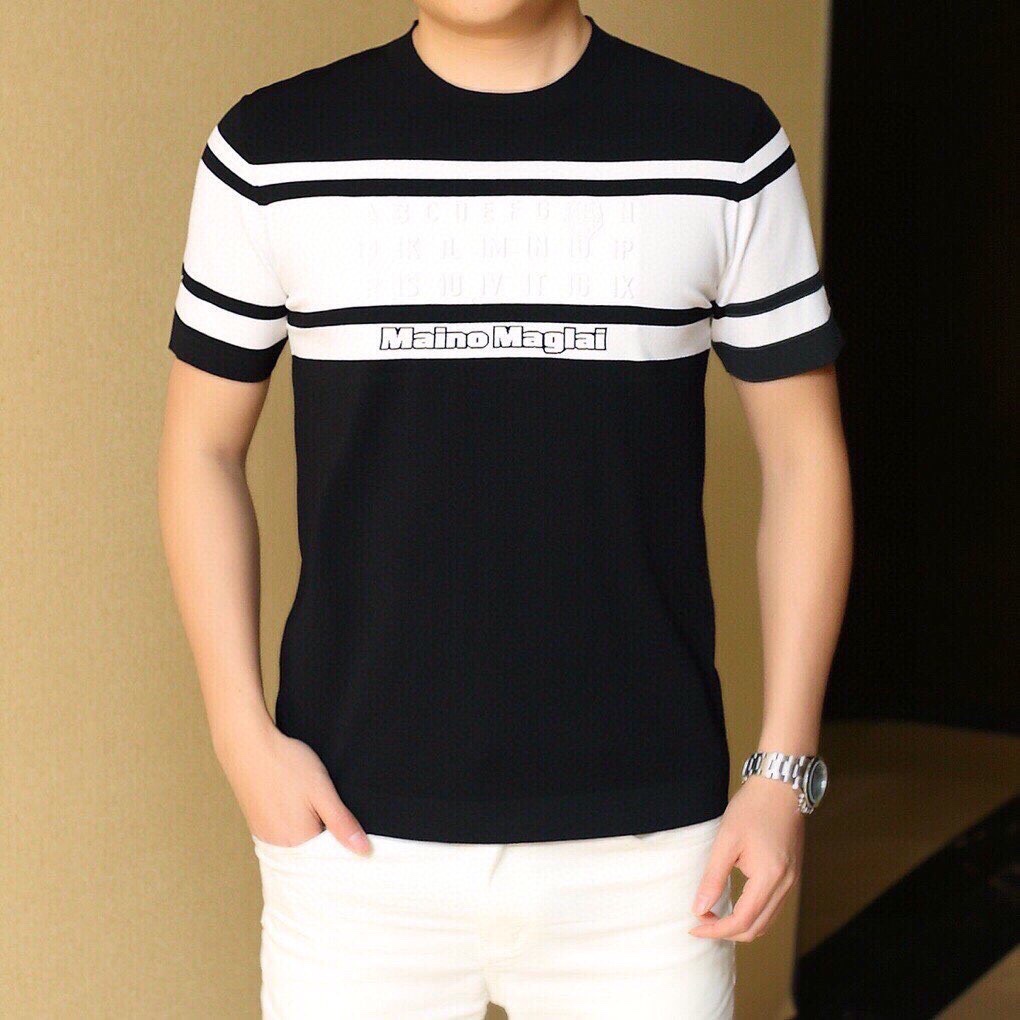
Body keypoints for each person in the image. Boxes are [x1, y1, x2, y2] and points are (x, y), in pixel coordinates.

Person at [158, 2, 852, 1016]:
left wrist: (784, 770)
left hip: (650, 860)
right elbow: (201, 449)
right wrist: (238, 733)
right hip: (351, 843)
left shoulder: (722, 144)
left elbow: (802, 460)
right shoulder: (271, 150)